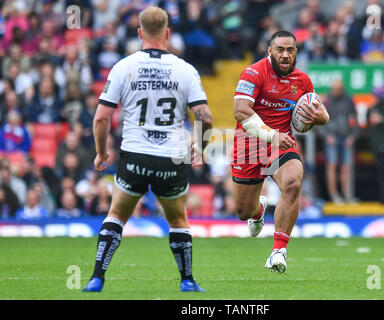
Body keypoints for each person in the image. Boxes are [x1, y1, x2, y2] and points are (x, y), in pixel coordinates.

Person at [82, 6, 213, 293]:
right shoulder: (185, 70)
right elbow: (205, 117)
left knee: (116, 214)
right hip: (171, 157)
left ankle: (96, 278)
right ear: (168, 33)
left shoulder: (123, 66)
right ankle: (187, 280)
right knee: (178, 218)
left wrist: (102, 153)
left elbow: (102, 117)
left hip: (135, 155)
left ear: (140, 33)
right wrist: (200, 149)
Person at [231, 30, 329, 274]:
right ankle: (259, 211)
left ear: (296, 52)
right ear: (270, 52)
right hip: (250, 145)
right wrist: (271, 134)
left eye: (290, 50)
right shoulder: (253, 73)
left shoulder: (303, 81)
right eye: (280, 50)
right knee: (244, 211)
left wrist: (322, 117)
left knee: (293, 183)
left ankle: (278, 251)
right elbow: (241, 111)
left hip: (281, 145)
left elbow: (321, 114)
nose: (285, 55)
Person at [318, 79, 358, 204]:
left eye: (338, 89)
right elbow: (318, 120)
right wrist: (327, 136)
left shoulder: (348, 101)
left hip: (346, 137)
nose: (336, 91)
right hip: (331, 138)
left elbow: (355, 120)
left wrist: (353, 136)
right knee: (332, 166)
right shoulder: (326, 101)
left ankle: (347, 195)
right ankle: (334, 195)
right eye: (335, 89)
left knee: (346, 167)